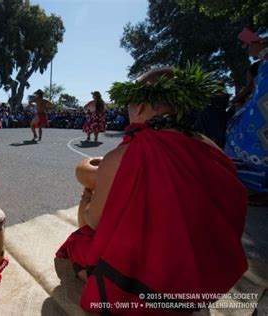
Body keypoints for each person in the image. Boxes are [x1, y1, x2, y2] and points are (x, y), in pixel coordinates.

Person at [56, 65, 248, 315]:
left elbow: (93, 221)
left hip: (150, 285)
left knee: (77, 243)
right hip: (203, 282)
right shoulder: (211, 146)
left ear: (141, 108)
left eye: (129, 104)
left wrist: (88, 197)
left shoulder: (122, 157)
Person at [225, 28, 268, 206]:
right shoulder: (262, 62)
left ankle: (261, 187)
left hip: (261, 112)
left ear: (257, 43)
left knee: (249, 139)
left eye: (248, 45)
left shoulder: (264, 63)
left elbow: (260, 92)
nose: (247, 50)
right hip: (258, 108)